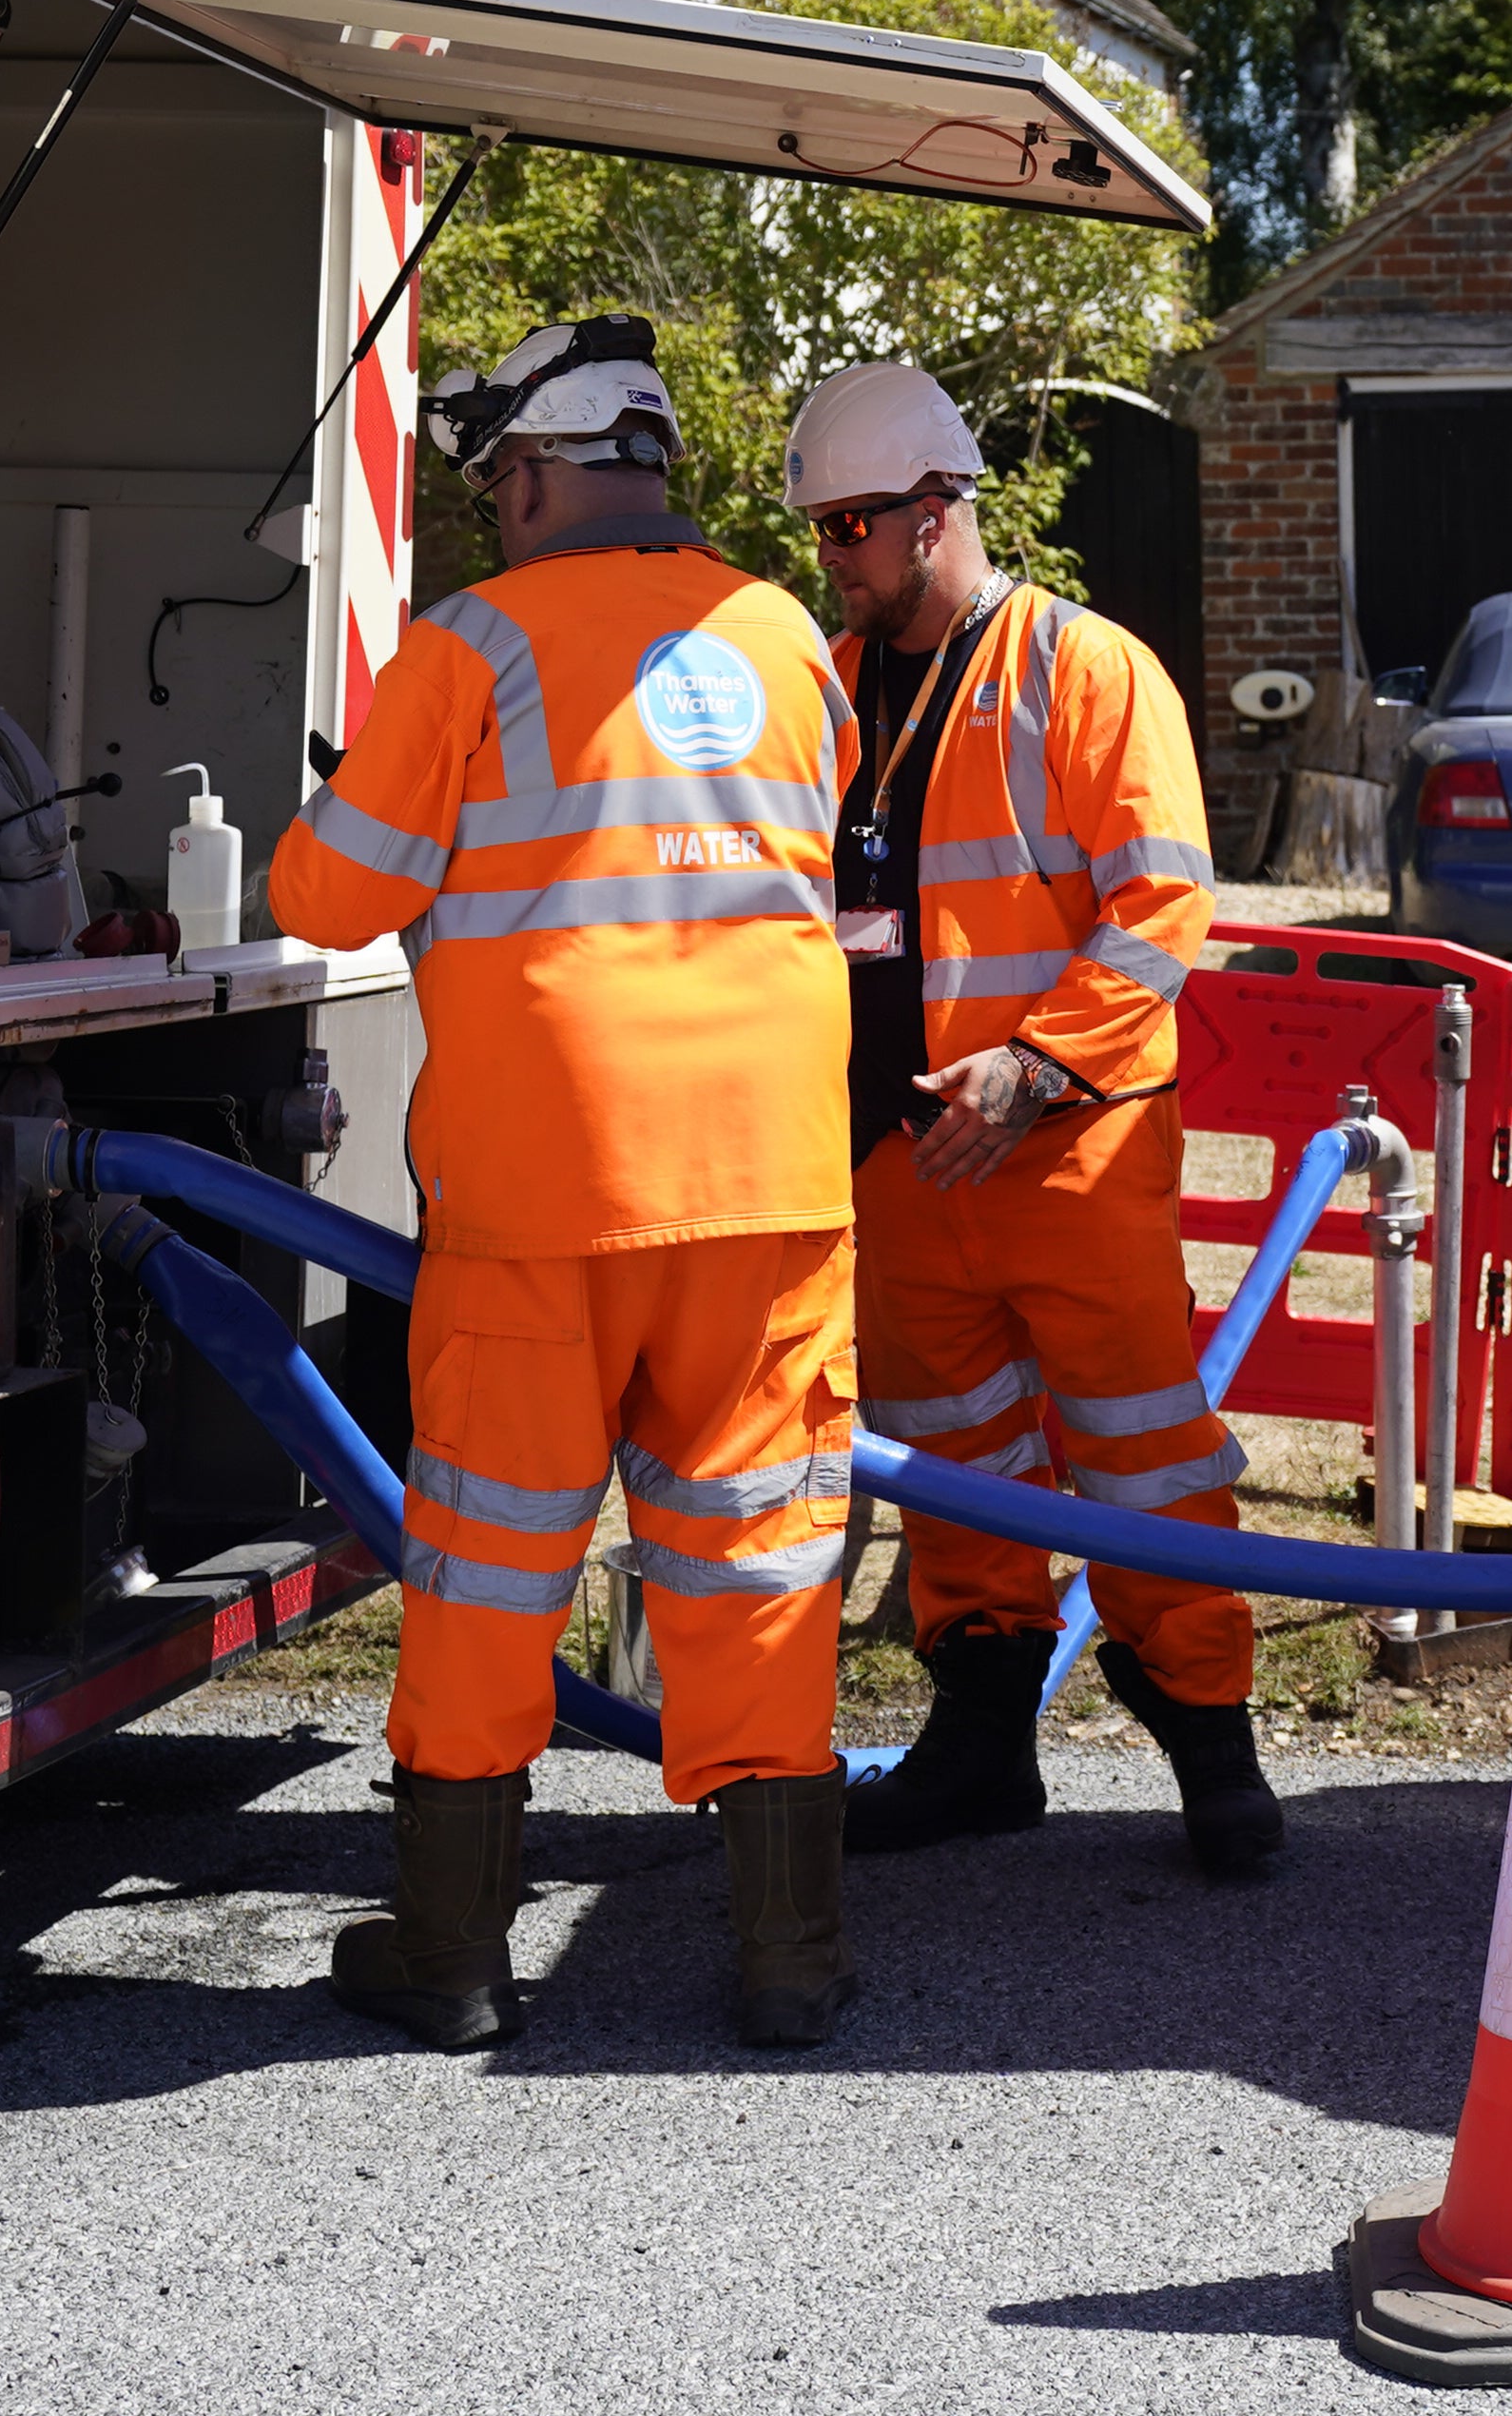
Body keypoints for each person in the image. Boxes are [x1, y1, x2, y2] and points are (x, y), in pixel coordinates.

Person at [264, 315, 868, 2051]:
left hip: (547, 1192)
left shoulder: (472, 644)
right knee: (755, 1559)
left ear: (531, 472)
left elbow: (328, 896)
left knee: (489, 1561)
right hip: (768, 1178)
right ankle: (790, 1955)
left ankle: (452, 1955)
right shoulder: (784, 638)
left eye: (497, 485)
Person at [785, 361, 1278, 1879]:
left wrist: (1036, 1065)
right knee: (953, 1464)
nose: (835, 556)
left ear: (940, 514)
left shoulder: (1085, 669)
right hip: (899, 1161)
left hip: (1069, 1150)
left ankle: (1215, 1750)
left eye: (855, 524)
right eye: (821, 528)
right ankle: (983, 1748)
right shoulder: (827, 681)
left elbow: (1161, 900)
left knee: (1142, 1454)